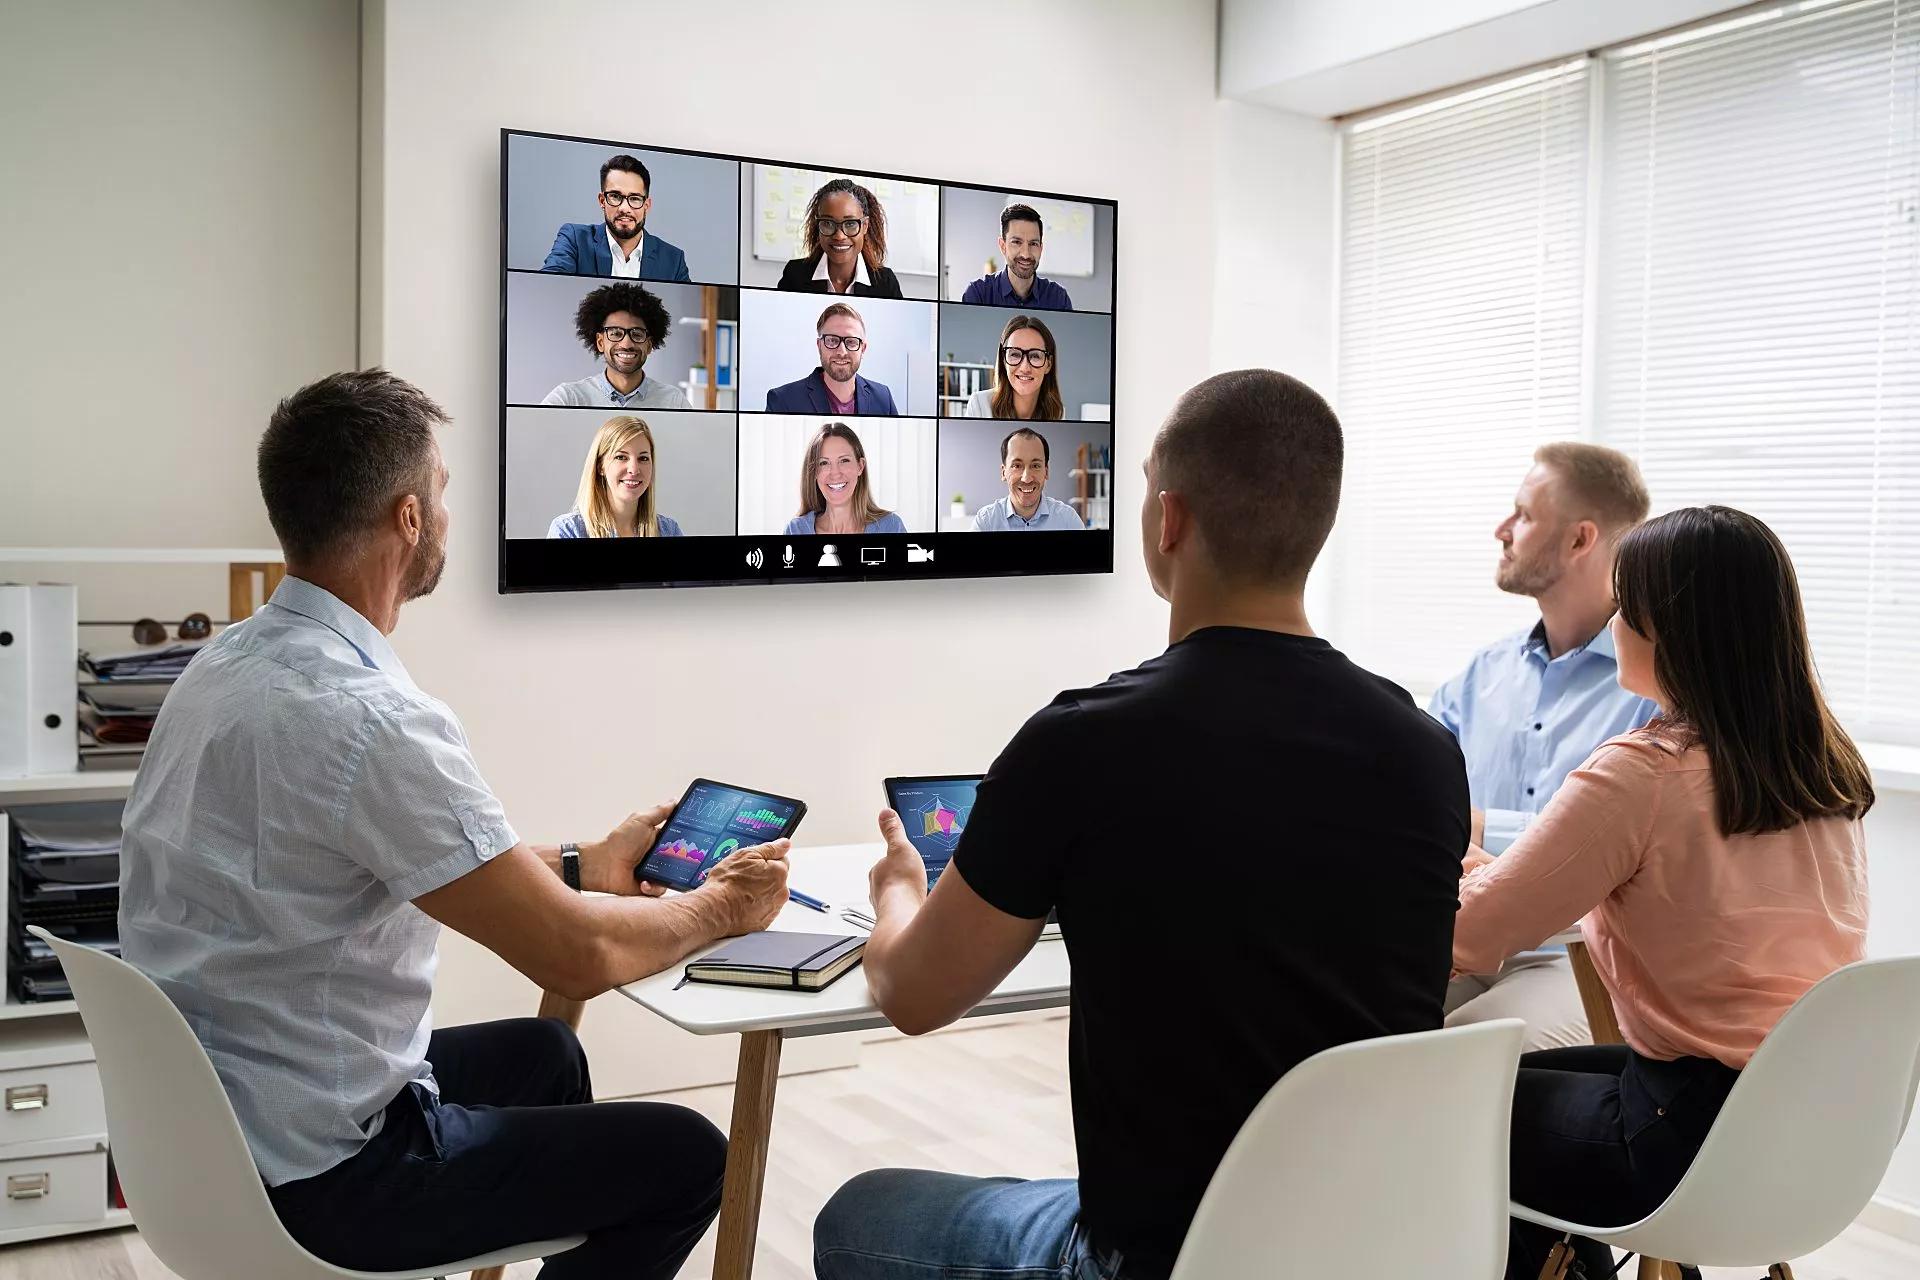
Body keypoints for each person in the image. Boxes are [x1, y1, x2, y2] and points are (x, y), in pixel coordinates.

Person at [118, 369, 790, 1279]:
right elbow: (574, 957)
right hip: (328, 1177)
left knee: (547, 1054)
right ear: (406, 518)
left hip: (219, 1128)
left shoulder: (225, 664)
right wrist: (723, 910)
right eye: (440, 491)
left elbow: (408, 863)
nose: (446, 511)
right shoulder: (371, 721)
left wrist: (584, 863)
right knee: (683, 1157)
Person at [813, 370, 1466, 1280]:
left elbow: (914, 997)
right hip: (1381, 1253)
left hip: (1161, 1261)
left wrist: (898, 895)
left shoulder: (1081, 743)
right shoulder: (1427, 751)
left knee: (855, 1217)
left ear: (1168, 521)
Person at [1455, 504, 1872, 1280]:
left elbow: (1471, 939)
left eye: (1625, 605)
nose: (1614, 621)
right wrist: (1505, 879)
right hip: (1808, 1129)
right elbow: (1703, 907)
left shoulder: (1643, 772)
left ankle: (1560, 1262)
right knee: (1490, 1083)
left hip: (1681, 1138)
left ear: (1666, 627)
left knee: (1441, 1103)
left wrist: (1459, 875)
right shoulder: (1822, 772)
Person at [1428, 444, 1658, 1050]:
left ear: (1581, 540)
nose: (1502, 530)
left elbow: (1640, 851)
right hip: (1463, 932)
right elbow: (1414, 790)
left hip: (1581, 956)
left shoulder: (1656, 683)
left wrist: (1479, 829)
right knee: (1342, 1025)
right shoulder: (1484, 672)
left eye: (1523, 515)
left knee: (1457, 1055)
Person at [540, 153, 693, 281]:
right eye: (615, 196)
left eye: (634, 198)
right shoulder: (575, 239)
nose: (624, 208)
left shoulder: (673, 260)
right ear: (602, 201)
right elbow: (548, 285)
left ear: (647, 205)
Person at [541, 281, 693, 409]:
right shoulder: (568, 398)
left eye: (637, 334)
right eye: (615, 334)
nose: (626, 343)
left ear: (649, 345)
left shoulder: (673, 401)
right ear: (600, 342)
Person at [548, 415, 685, 538]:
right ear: (600, 466)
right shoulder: (568, 531)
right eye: (621, 457)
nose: (634, 469)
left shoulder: (669, 530)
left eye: (643, 458)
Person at [776, 178, 904, 298]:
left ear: (865, 226)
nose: (839, 236)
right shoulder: (794, 275)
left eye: (850, 224)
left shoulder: (885, 283)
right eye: (827, 223)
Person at [764, 303, 900, 415]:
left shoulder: (883, 397)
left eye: (851, 342)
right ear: (819, 346)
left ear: (863, 348)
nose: (841, 351)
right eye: (832, 340)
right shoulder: (782, 400)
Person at [783, 421, 908, 535]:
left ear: (860, 466)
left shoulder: (891, 527)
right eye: (824, 463)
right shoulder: (795, 530)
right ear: (814, 472)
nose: (835, 473)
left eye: (844, 460)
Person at [959, 203, 1074, 310]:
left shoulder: (1058, 298)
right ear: (1003, 246)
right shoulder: (978, 294)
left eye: (1033, 244)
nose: (1026, 254)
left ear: (1041, 248)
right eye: (1017, 242)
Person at [969, 427, 1083, 530]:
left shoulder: (1068, 520)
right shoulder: (985, 522)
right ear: (1004, 472)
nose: (1026, 478)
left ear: (1046, 471)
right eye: (1017, 466)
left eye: (1035, 466)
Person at [961, 315, 1063, 420]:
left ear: (1049, 364)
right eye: (1015, 354)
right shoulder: (979, 405)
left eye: (1035, 356)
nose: (1025, 368)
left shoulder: (1058, 413)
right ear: (1003, 360)